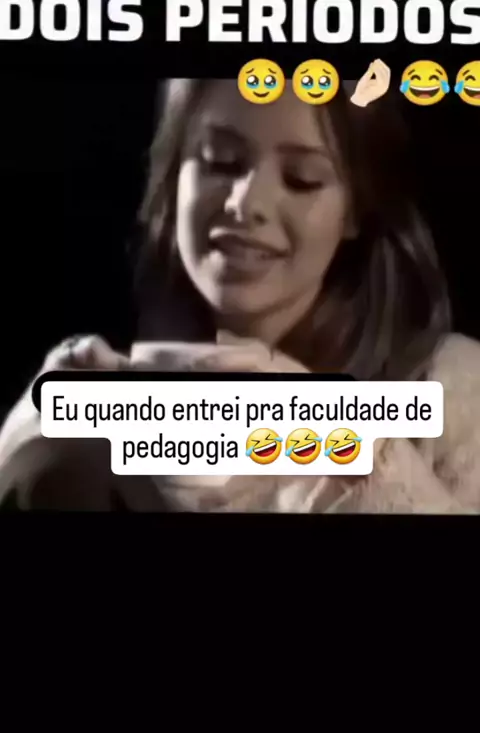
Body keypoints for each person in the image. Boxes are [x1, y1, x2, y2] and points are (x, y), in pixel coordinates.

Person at [0, 78, 479, 513]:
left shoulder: (450, 388)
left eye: (301, 179)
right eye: (221, 162)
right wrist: (33, 439)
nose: (245, 203)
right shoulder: (107, 386)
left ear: (354, 209)